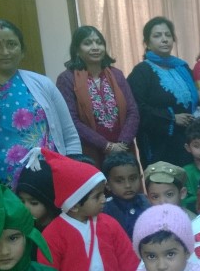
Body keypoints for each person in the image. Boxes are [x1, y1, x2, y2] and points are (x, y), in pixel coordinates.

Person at [0, 19, 81, 201]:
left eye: (11, 44)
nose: (5, 51)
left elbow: (70, 135)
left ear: (22, 50)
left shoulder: (43, 84)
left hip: (51, 184)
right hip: (0, 193)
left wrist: (74, 178)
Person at [56, 25, 139, 167]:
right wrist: (106, 146)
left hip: (123, 151)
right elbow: (71, 120)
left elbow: (133, 111)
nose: (95, 47)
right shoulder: (67, 79)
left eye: (99, 43)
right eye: (88, 43)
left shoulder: (117, 75)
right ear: (77, 50)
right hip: (90, 152)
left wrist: (122, 144)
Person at [128, 16, 198, 168]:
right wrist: (172, 118)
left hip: (189, 141)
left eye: (168, 35)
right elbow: (138, 109)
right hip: (159, 144)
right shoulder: (142, 72)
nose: (164, 39)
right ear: (147, 43)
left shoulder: (182, 67)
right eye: (157, 35)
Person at [101, 152, 149, 239]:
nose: (128, 185)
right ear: (107, 185)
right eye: (119, 181)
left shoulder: (148, 202)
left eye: (133, 179)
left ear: (140, 178)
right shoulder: (104, 209)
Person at [16, 160, 60, 234]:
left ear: (49, 203)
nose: (25, 208)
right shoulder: (18, 224)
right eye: (21, 201)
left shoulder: (58, 231)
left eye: (34, 203)